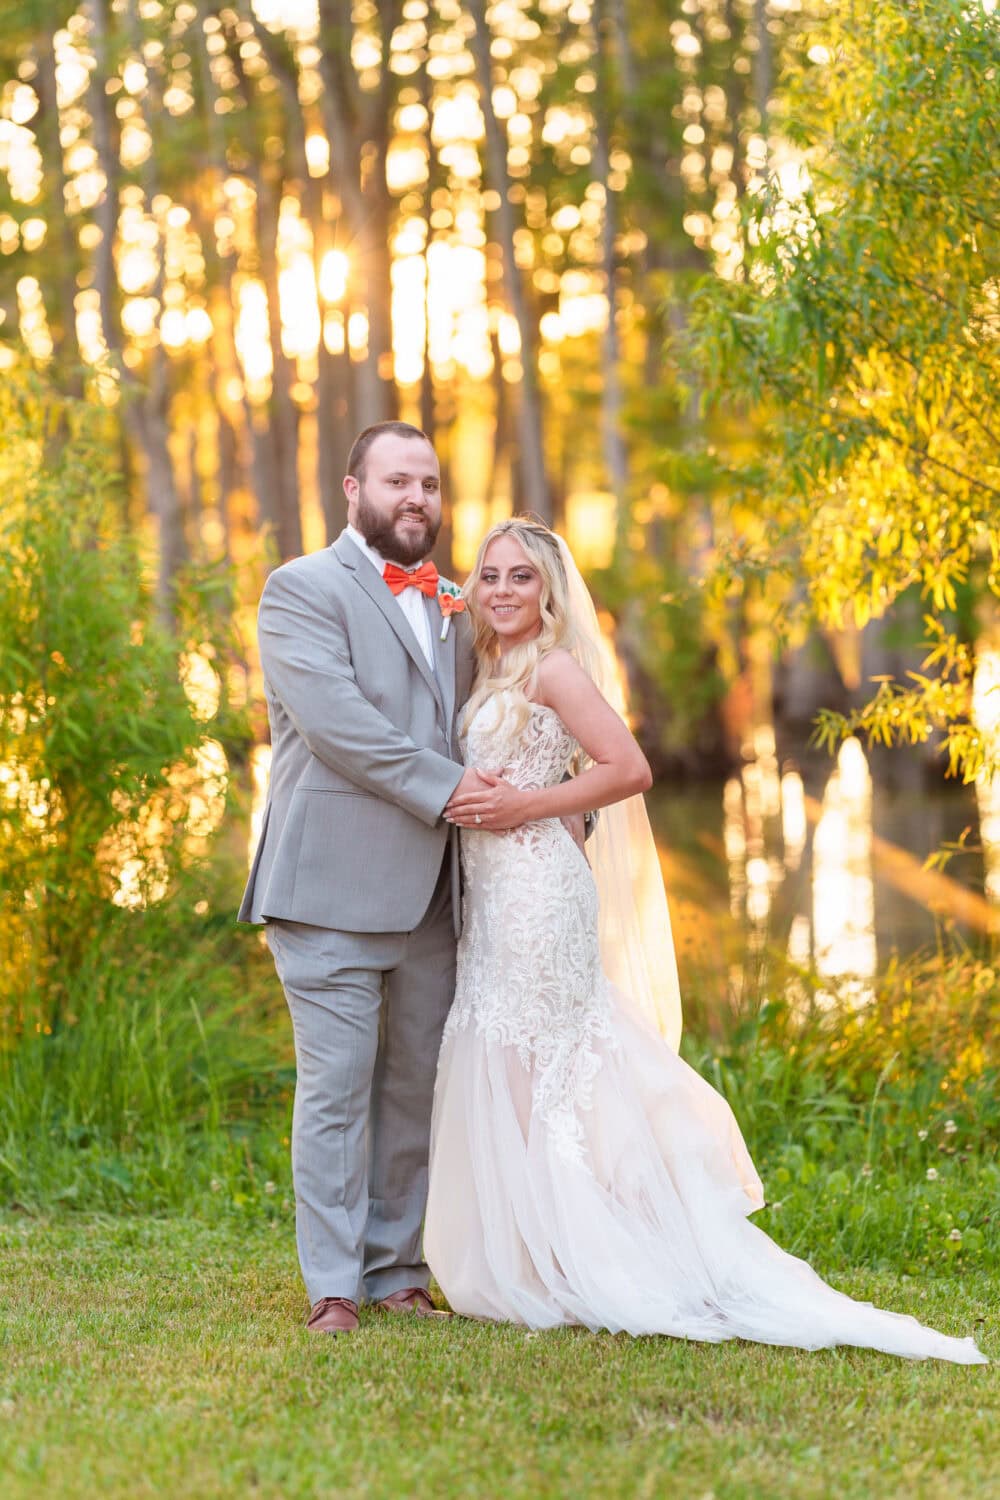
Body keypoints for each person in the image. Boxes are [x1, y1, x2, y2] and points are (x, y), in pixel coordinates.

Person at [425, 518, 988, 1364]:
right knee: (506, 1061)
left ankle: (581, 1253)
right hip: (494, 894)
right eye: (492, 576)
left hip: (540, 888)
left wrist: (527, 806)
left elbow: (627, 769)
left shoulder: (556, 670)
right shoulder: (488, 668)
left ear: (548, 594)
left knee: (545, 1064)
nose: (503, 591)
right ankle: (533, 1248)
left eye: (522, 579)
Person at [239, 420, 485, 1334]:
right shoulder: (299, 590)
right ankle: (333, 1287)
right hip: (330, 886)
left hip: (435, 894)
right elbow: (340, 727)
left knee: (415, 1087)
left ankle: (396, 1270)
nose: (415, 497)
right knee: (337, 1091)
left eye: (427, 482)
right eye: (396, 481)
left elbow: (489, 716)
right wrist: (459, 788)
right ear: (354, 490)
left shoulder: (458, 603)